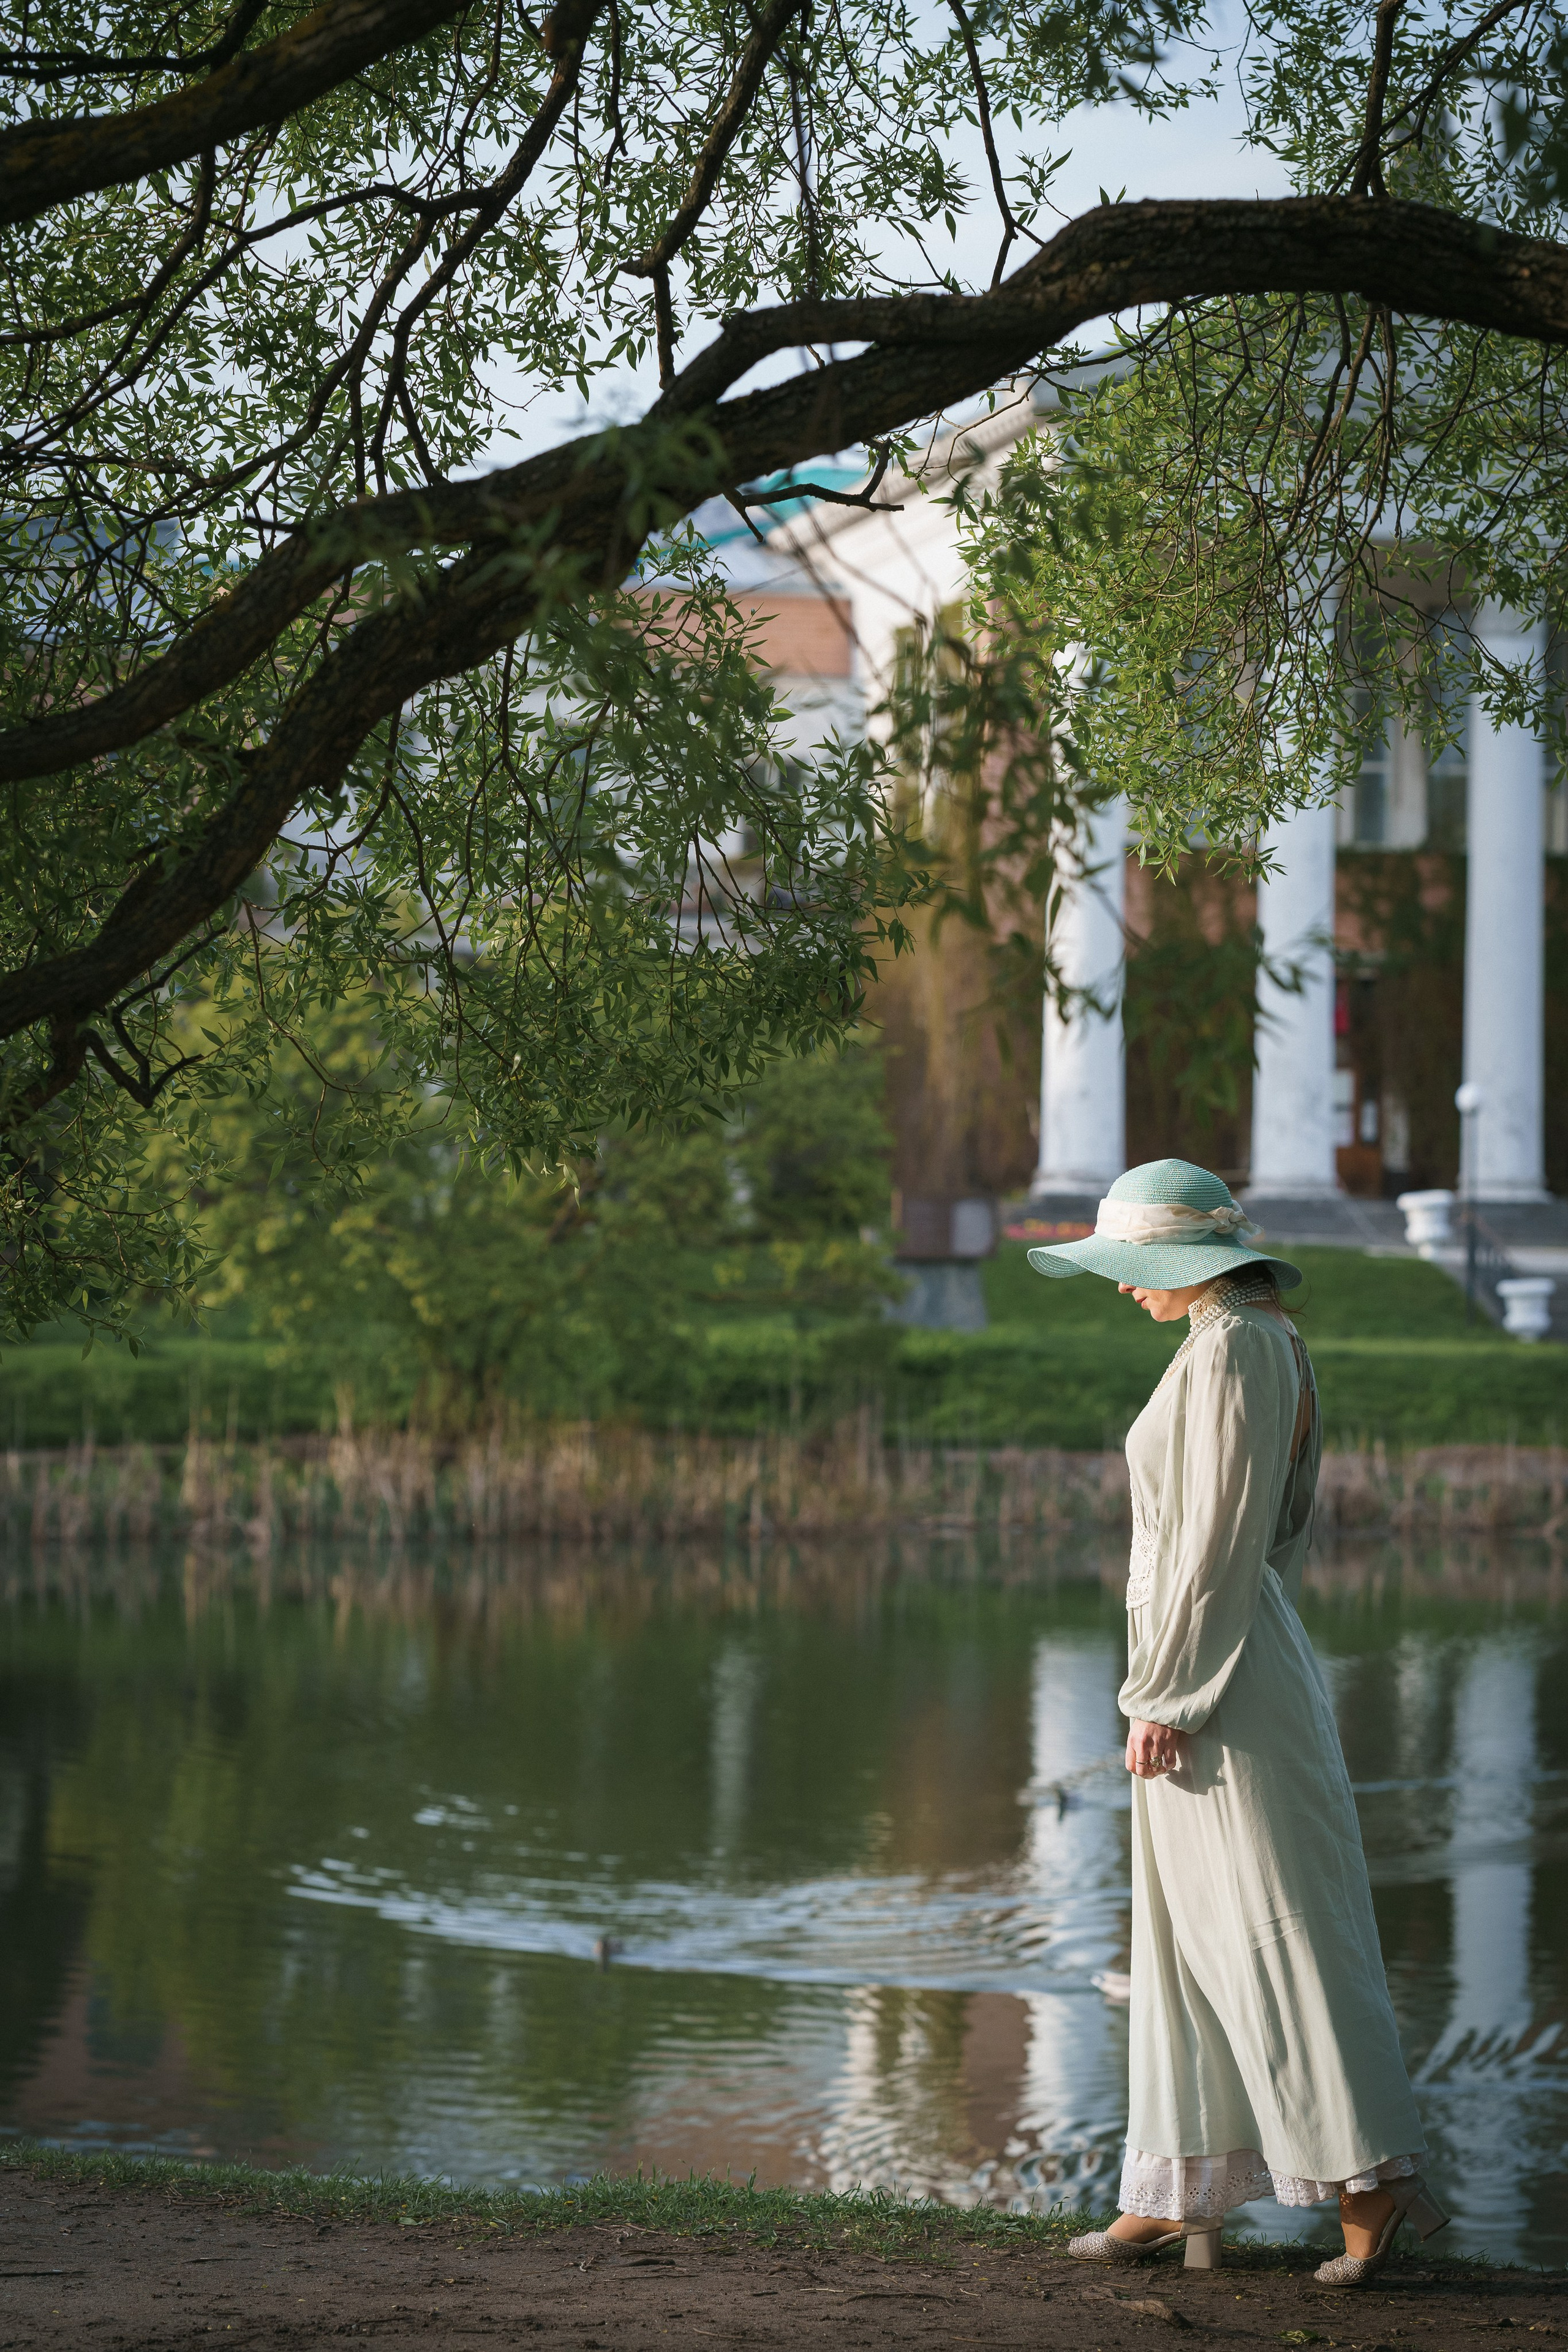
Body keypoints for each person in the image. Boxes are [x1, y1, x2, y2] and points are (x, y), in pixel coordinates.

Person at [1028, 1159, 1448, 2285]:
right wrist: (1164, 1681)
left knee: (1279, 1930)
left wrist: (1169, 1693)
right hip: (1216, 1665)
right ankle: (1173, 2190)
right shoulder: (1244, 1343)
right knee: (1184, 1941)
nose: (1123, 1288)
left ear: (1192, 1257)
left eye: (1134, 1266)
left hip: (1219, 1678)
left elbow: (1220, 1543)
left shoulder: (1236, 1348)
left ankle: (1373, 2183)